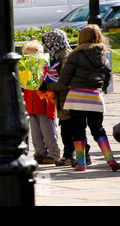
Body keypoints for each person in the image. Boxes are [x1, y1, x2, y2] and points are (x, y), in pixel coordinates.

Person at [60, 24, 120, 171]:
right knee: (98, 129)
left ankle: (81, 163)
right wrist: (97, 90)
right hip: (95, 97)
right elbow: (106, 81)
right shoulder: (104, 56)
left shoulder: (75, 55)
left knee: (78, 130)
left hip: (76, 97)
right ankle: (110, 160)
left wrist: (68, 84)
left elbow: (63, 79)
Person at [42, 29, 91, 167]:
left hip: (70, 100)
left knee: (75, 130)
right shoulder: (62, 55)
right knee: (67, 130)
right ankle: (69, 155)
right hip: (65, 100)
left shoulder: (65, 57)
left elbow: (65, 82)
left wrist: (47, 86)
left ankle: (83, 156)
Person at [22, 40, 60, 164]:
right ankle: (40, 152)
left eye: (31, 56)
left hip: (44, 104)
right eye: (26, 56)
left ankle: (53, 153)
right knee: (35, 133)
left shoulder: (45, 68)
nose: (29, 59)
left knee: (48, 131)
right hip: (31, 106)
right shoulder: (26, 70)